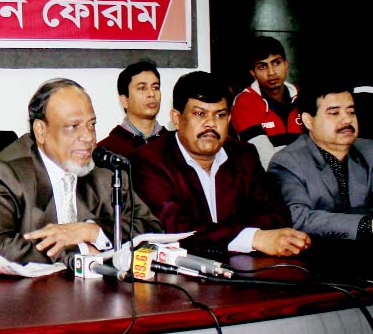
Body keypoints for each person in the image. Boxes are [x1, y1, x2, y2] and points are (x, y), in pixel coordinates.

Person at [0, 78, 162, 264]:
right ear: (40, 131)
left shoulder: (105, 172)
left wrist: (93, 231)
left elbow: (154, 230)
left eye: (91, 125)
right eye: (73, 127)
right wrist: (78, 251)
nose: (88, 137)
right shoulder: (8, 173)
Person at [131, 71, 311, 256]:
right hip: (182, 275)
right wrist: (253, 238)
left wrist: (235, 236)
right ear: (177, 118)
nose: (211, 123)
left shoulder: (244, 155)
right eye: (200, 114)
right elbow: (175, 229)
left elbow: (276, 215)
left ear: (229, 119)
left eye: (220, 115)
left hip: (246, 269)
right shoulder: (149, 161)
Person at [269, 81, 373, 240]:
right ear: (308, 120)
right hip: (315, 255)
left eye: (351, 112)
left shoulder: (369, 150)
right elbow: (299, 218)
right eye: (334, 113)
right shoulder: (287, 162)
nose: (347, 120)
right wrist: (366, 224)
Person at [231, 36, 303, 169]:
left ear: (286, 64)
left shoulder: (303, 97)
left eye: (276, 63)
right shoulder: (244, 102)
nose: (271, 72)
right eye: (262, 66)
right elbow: (266, 160)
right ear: (253, 72)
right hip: (268, 181)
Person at [97, 60, 168, 158]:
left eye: (155, 87)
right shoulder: (107, 151)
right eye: (142, 88)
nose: (151, 94)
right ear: (125, 100)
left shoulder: (175, 144)